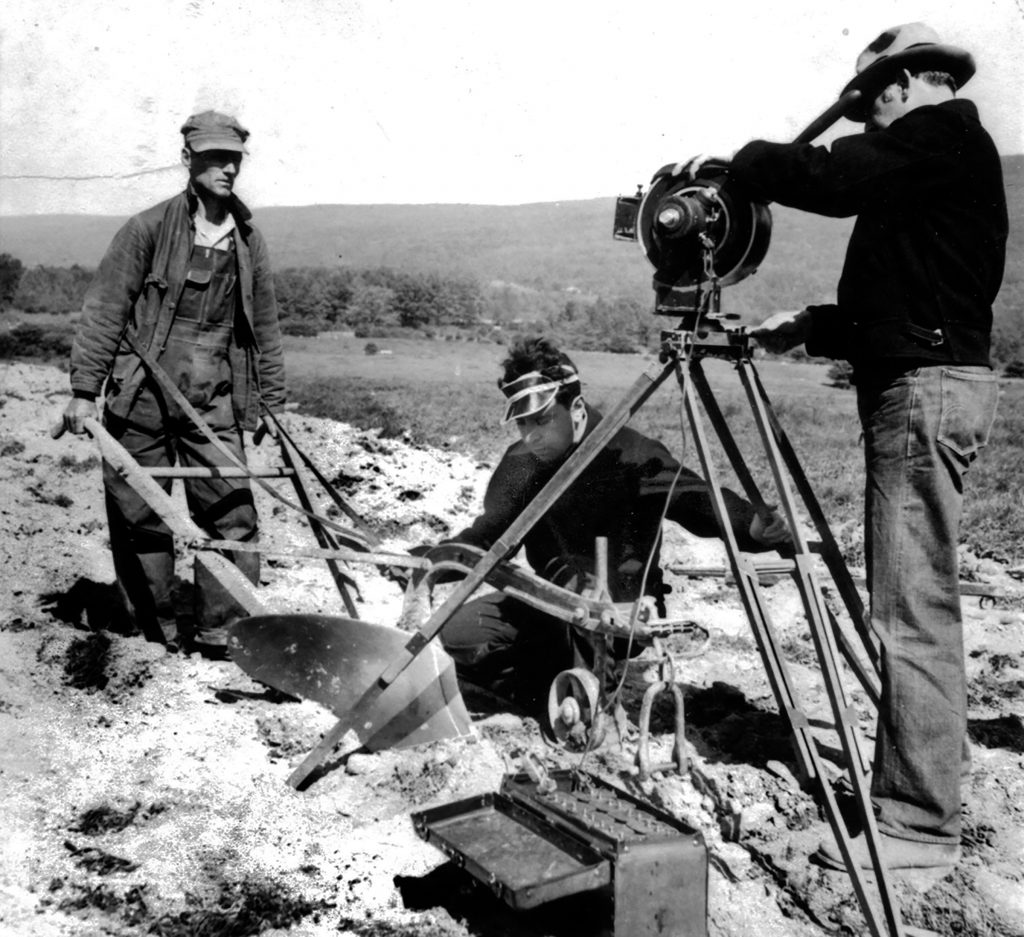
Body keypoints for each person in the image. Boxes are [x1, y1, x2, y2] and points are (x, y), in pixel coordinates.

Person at [700, 23, 1006, 871]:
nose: (867, 123)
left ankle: (915, 825)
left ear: (901, 86)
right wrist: (812, 326)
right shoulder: (945, 155)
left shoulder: (935, 135)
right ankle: (921, 789)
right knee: (913, 605)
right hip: (928, 382)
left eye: (870, 106)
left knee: (911, 610)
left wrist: (743, 163)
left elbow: (832, 182)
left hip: (922, 395)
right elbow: (919, 290)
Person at [427, 335, 789, 714]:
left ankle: (577, 694)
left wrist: (750, 526)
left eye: (543, 419)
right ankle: (545, 697)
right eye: (522, 423)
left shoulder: (630, 454)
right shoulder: (521, 463)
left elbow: (695, 498)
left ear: (577, 407)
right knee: (462, 632)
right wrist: (430, 561)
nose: (531, 435)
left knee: (580, 631)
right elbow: (490, 534)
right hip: (547, 600)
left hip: (619, 610)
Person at [61, 111, 286, 656]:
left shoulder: (248, 239)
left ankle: (222, 633)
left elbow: (266, 327)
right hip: (143, 391)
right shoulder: (147, 229)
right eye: (214, 158)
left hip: (214, 398)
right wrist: (84, 390)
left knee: (231, 513)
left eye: (233, 159)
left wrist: (273, 405)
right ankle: (152, 637)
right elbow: (105, 311)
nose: (226, 169)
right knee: (140, 515)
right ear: (188, 160)